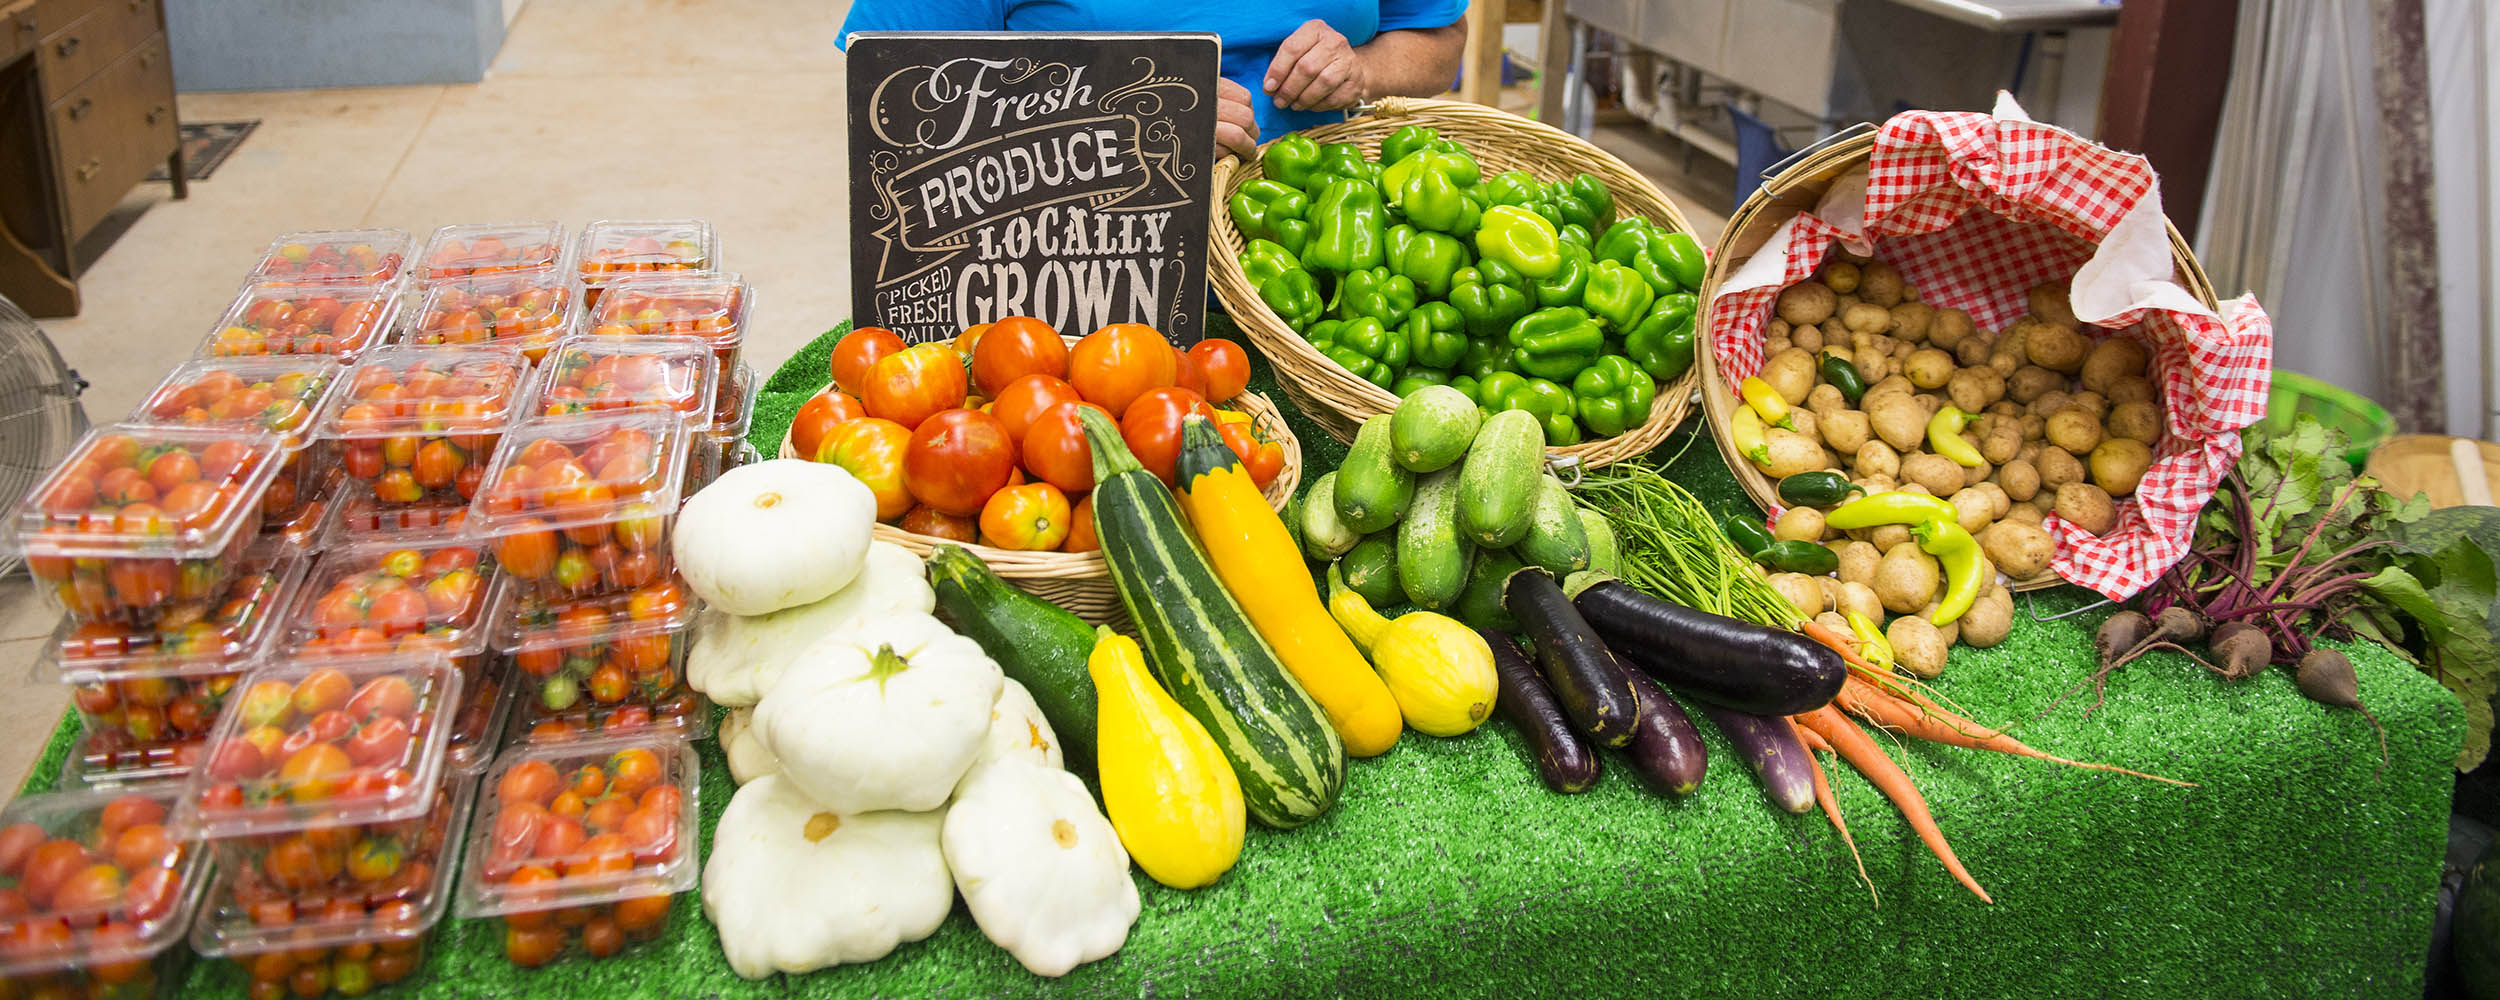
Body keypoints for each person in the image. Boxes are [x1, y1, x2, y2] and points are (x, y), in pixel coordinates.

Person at [836, 1, 1469, 161]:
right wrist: (1102, 125)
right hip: (1069, 248)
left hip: (1310, 246)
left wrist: (1361, 70)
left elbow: (1439, 41)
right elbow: (897, 87)